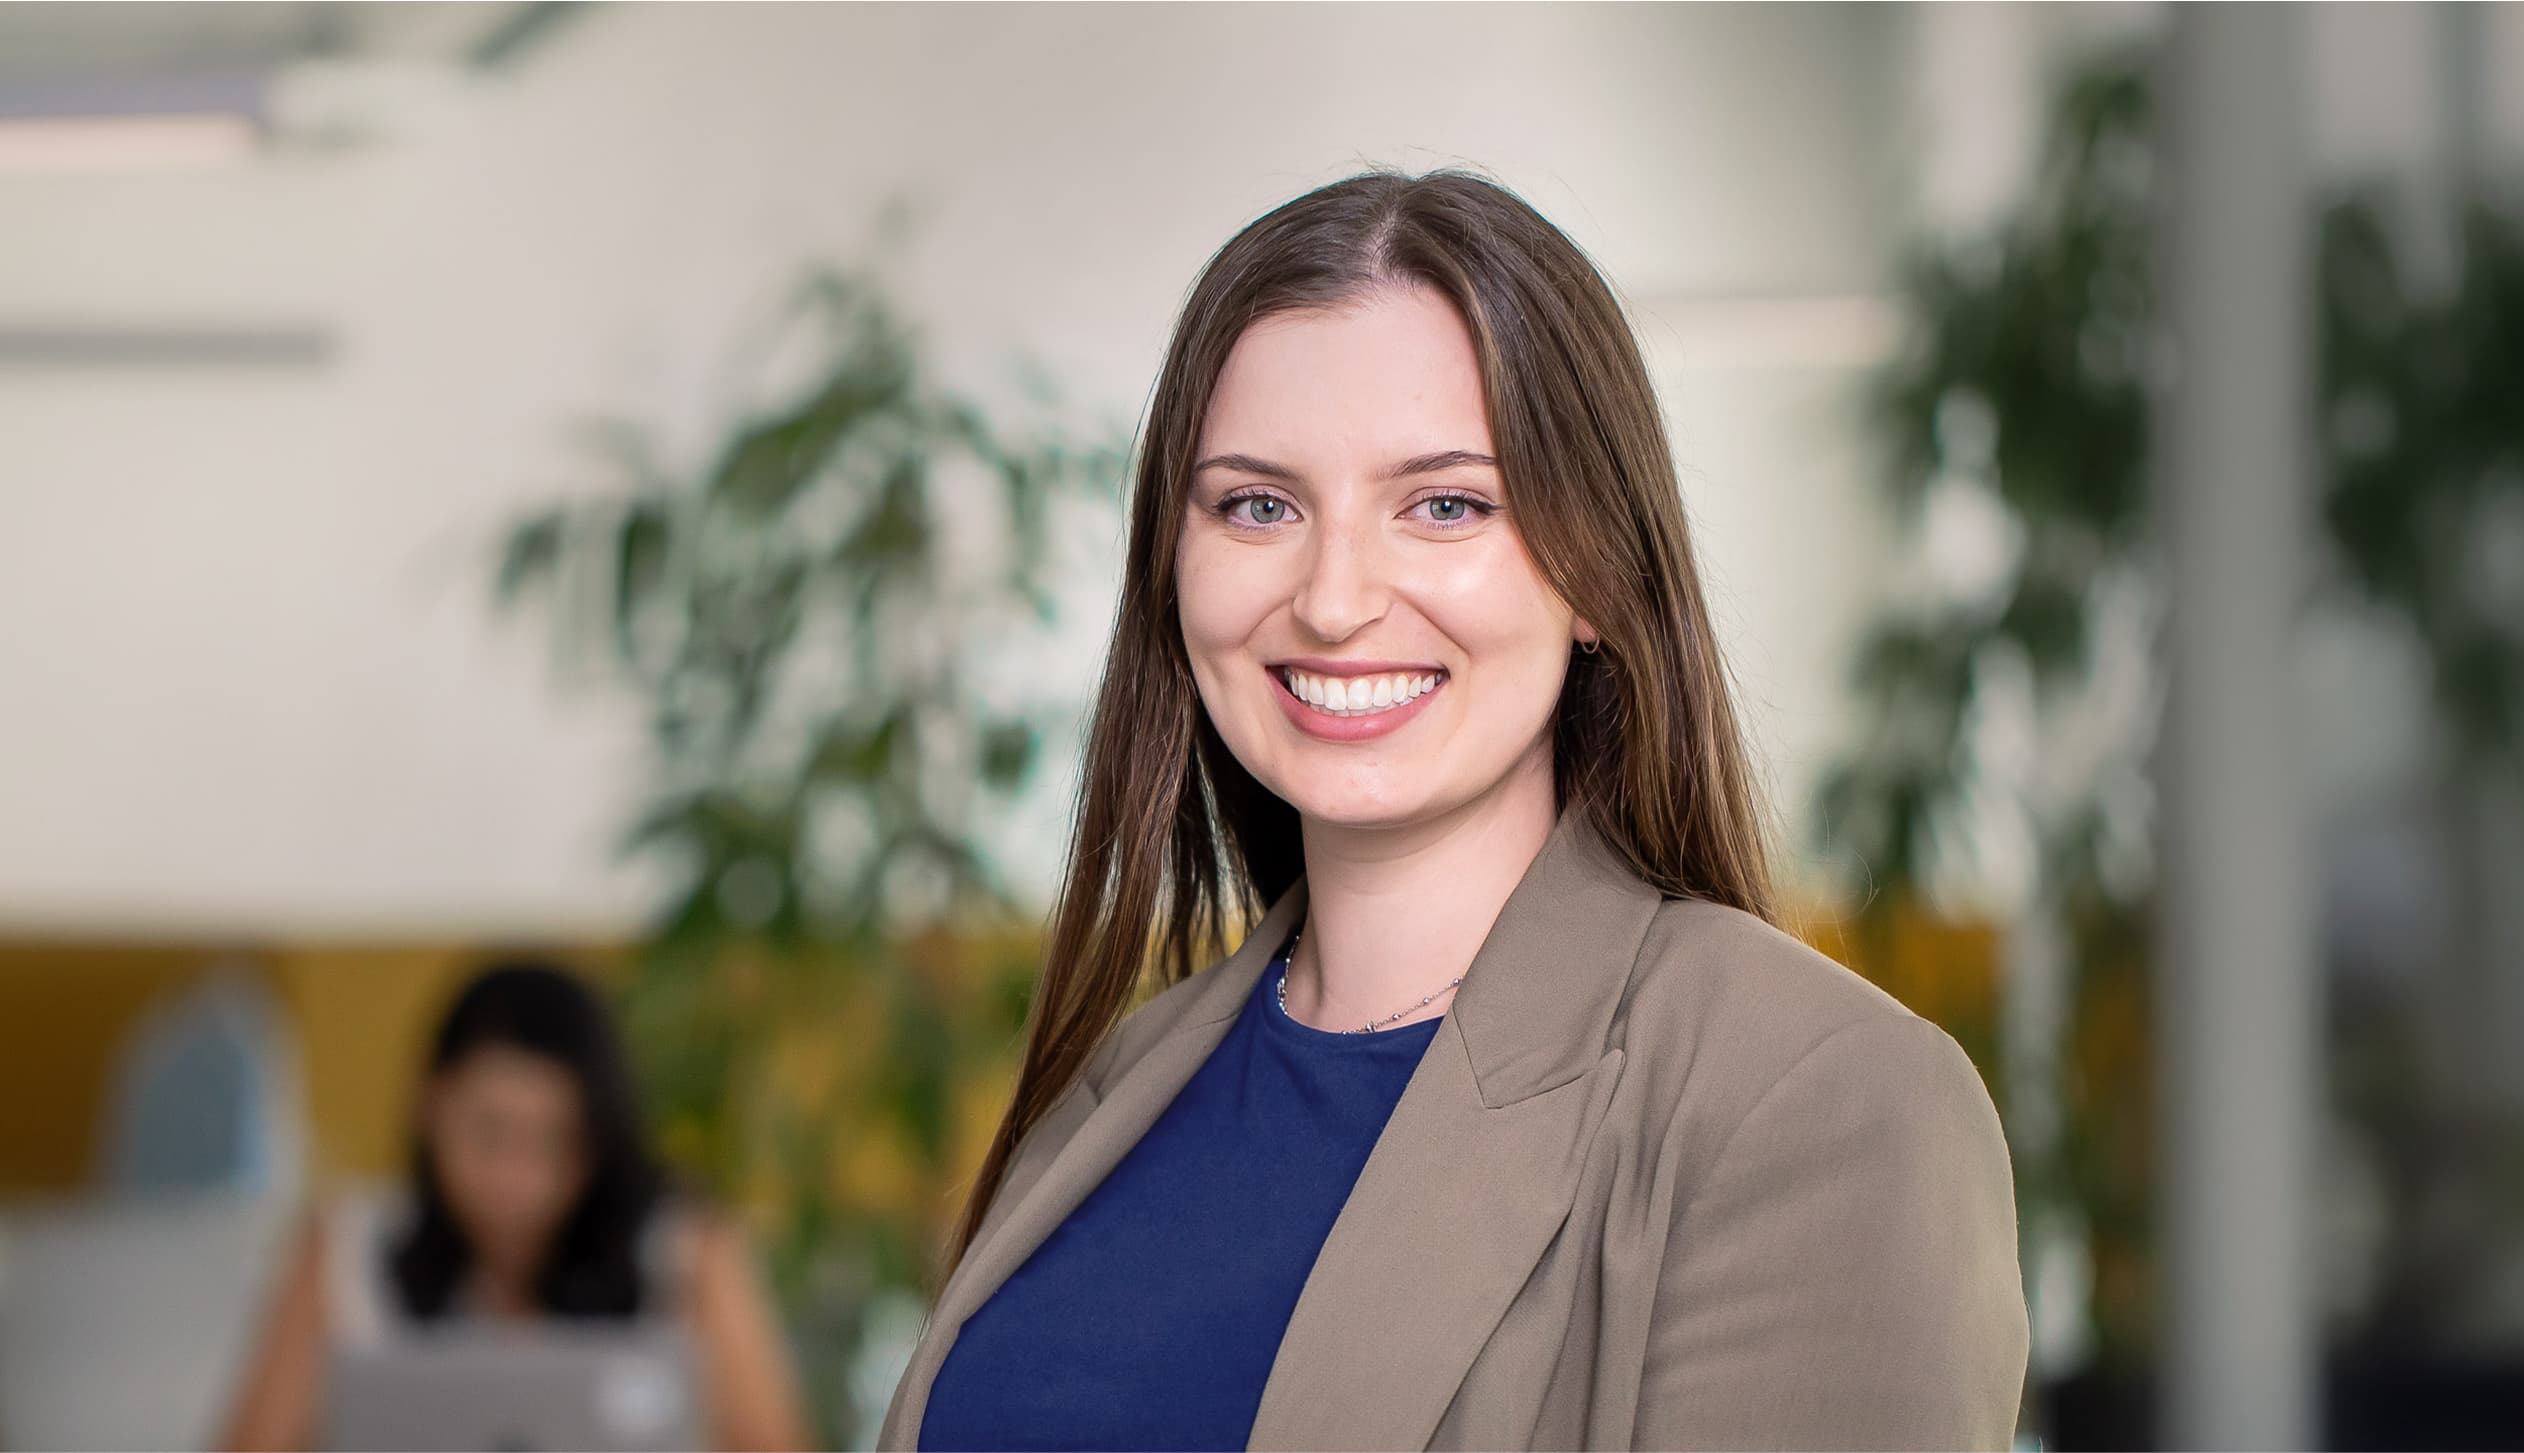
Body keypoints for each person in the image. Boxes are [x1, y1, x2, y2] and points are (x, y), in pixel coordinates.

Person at [881, 168, 2029, 1452]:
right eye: (1259, 504)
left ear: (1595, 569)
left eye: (1445, 505)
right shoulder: (1121, 1087)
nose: (1333, 597)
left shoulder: (1810, 1102)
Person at [218, 960, 811, 1451]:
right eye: (488, 1132)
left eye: (553, 1142)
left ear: (598, 1140)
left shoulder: (687, 1253)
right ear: (431, 1106)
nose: (515, 1177)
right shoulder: (344, 1250)